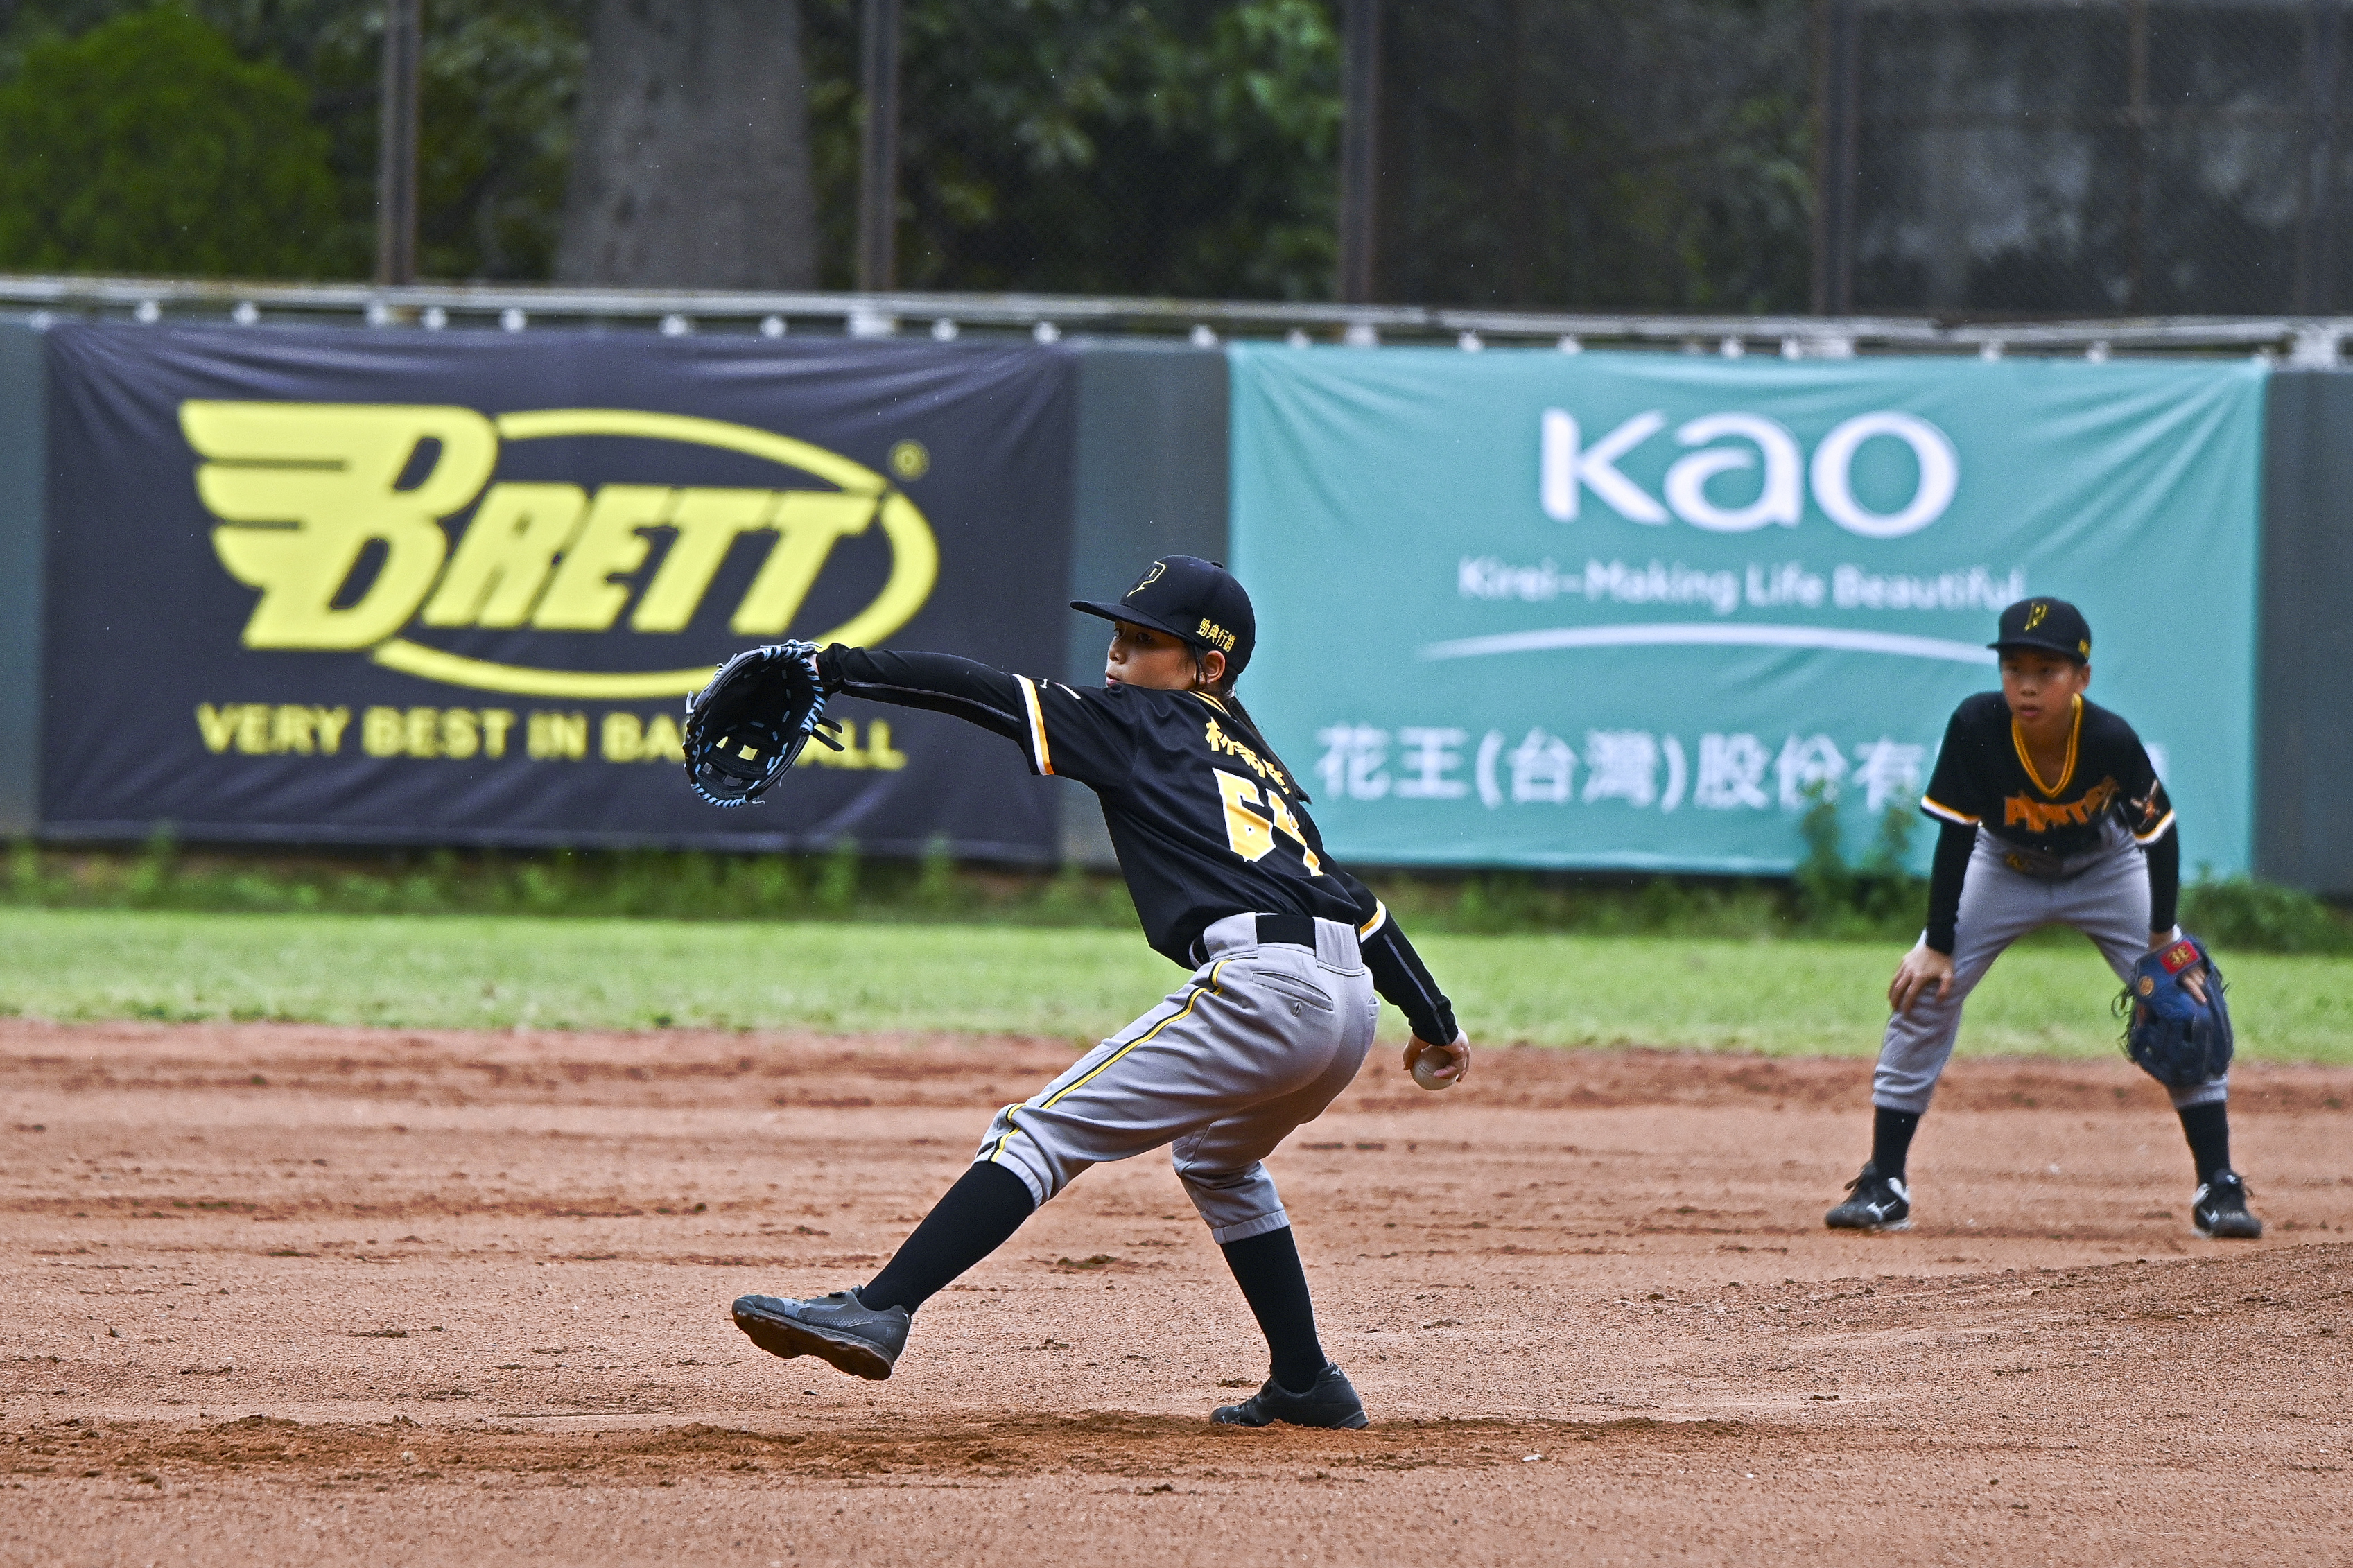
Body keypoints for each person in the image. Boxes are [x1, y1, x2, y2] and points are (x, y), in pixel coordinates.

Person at [730, 555, 1471, 1429]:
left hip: (1268, 991)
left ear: (1207, 669)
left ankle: (880, 1306)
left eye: (1145, 641)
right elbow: (1360, 905)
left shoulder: (1138, 722)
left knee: (1037, 1130)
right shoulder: (1262, 766)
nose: (1118, 655)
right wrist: (1433, 1022)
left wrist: (836, 667)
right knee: (1218, 1161)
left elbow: (987, 694)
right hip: (1343, 1005)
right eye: (1117, 635)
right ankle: (1308, 1381)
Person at [1825, 596, 2261, 1241]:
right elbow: (1954, 836)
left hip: (2105, 870)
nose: (2027, 685)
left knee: (2186, 1003)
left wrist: (2165, 942)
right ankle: (1884, 1182)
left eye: (2047, 671)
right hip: (2003, 868)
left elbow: (2159, 836)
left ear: (2081, 678)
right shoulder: (1977, 723)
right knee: (1922, 990)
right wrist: (1938, 945)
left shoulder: (2109, 738)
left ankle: (2218, 1186)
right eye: (2014, 668)